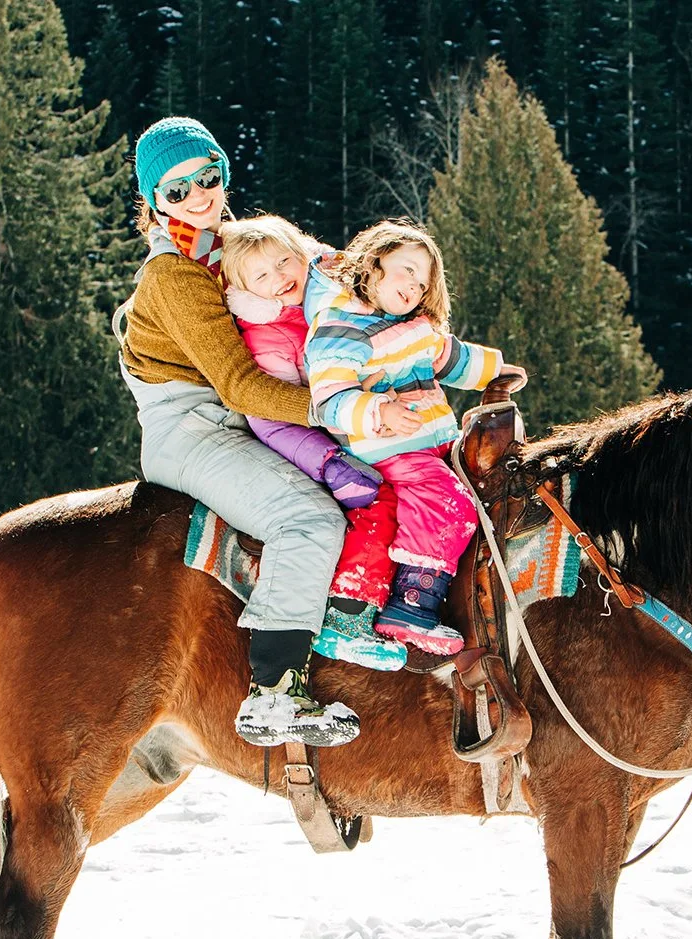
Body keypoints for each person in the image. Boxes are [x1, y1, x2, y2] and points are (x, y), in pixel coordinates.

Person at [115, 116, 358, 747]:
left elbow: (327, 271)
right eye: (177, 190)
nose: (200, 196)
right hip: (194, 427)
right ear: (152, 203)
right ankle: (273, 695)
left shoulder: (235, 244)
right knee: (309, 519)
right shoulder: (174, 274)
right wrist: (346, 406)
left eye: (209, 176)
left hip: (245, 418)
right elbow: (240, 386)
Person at [304, 220, 525, 655]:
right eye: (407, 270)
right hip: (386, 449)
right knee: (449, 504)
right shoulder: (340, 327)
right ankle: (411, 604)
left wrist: (494, 370)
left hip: (429, 442)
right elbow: (328, 399)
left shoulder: (415, 327)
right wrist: (377, 409)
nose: (414, 286)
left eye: (423, 282)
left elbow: (451, 358)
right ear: (375, 261)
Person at [217, 215, 407, 672]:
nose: (281, 277)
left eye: (285, 261)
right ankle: (350, 613)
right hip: (323, 447)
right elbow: (272, 421)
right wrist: (329, 463)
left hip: (378, 419)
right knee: (375, 502)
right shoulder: (268, 337)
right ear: (247, 291)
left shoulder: (344, 296)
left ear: (304, 253)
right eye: (262, 275)